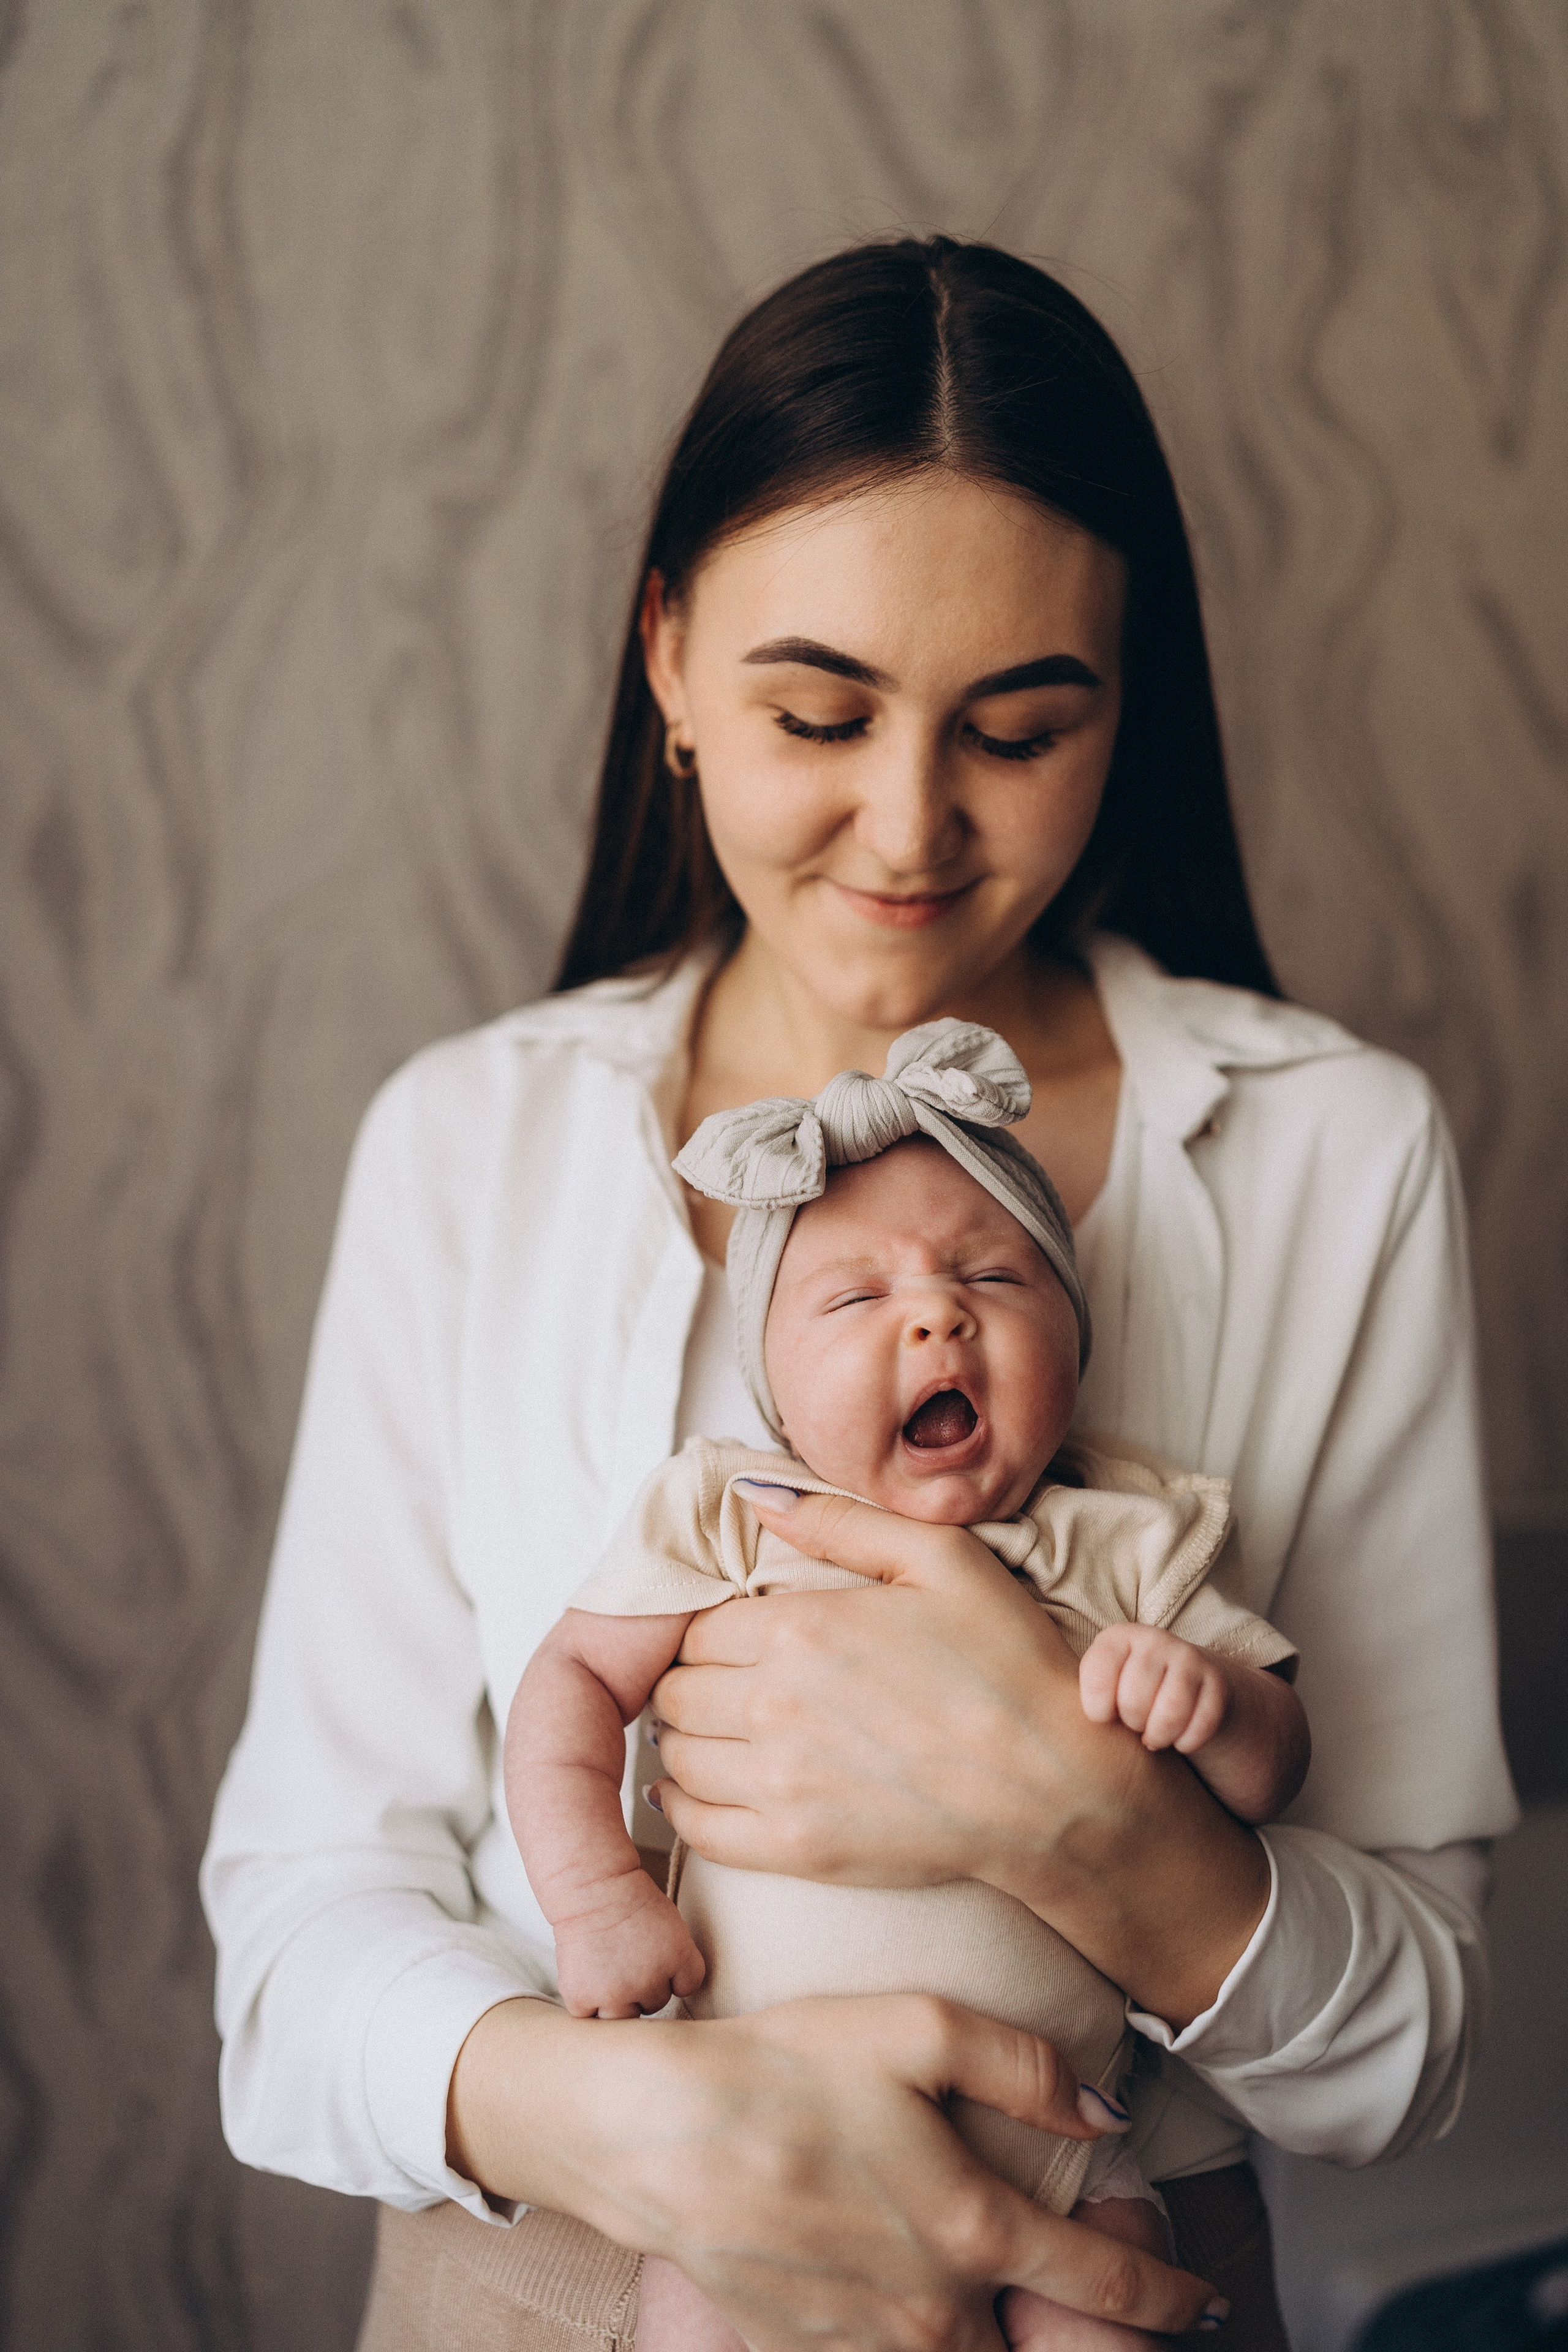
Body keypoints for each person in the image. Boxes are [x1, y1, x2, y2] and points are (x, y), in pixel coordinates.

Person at [201, 238, 1518, 2352]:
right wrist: (663, 2133)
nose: (909, 827)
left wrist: (1075, 1813)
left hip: (1113, 2257)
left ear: (1125, 708)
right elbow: (294, 1941)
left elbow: (1410, 2048)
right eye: (817, 714)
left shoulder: (1330, 1153)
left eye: (1020, 727)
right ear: (667, 659)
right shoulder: (473, 1144)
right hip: (552, 2274)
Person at [507, 1018, 1310, 2352]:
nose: (935, 1311)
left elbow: (1278, 1763)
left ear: (1076, 1341)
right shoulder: (733, 1512)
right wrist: (593, 1897)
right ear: (771, 1381)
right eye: (854, 1299)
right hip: (756, 2135)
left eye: (992, 1275)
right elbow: (575, 1678)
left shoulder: (1119, 1541)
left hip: (1060, 2144)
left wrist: (1216, 1705)